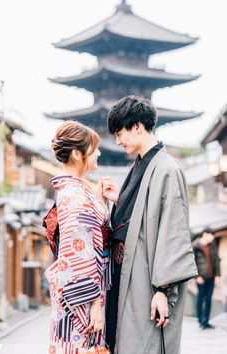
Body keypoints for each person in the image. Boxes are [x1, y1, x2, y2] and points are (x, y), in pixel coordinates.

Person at [101, 96, 198, 354]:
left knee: (144, 343)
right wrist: (119, 200)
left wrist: (163, 290)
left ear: (138, 126)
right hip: (126, 275)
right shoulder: (142, 164)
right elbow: (140, 216)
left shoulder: (167, 169)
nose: (118, 141)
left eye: (120, 133)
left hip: (147, 280)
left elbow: (172, 230)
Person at [44, 121, 110, 354]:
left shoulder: (78, 190)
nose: (99, 153)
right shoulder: (74, 194)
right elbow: (79, 251)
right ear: (76, 154)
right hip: (81, 294)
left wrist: (101, 202)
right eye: (94, 148)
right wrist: (94, 304)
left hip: (81, 288)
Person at [192, 227, 221, 329]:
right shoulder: (195, 246)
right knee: (200, 299)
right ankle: (200, 320)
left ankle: (206, 321)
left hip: (211, 277)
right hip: (201, 278)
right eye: (211, 235)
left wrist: (218, 275)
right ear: (204, 234)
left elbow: (216, 260)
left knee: (208, 299)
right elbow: (191, 263)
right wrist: (196, 277)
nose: (212, 237)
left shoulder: (212, 245)